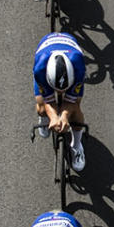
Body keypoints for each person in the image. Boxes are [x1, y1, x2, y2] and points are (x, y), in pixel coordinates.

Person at [33, 31, 88, 173]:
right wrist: (52, 116)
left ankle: (77, 146)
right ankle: (43, 119)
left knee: (75, 110)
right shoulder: (40, 69)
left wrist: (63, 116)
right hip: (45, 53)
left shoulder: (79, 68)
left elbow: (71, 101)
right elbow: (47, 100)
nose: (60, 92)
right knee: (41, 106)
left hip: (71, 54)